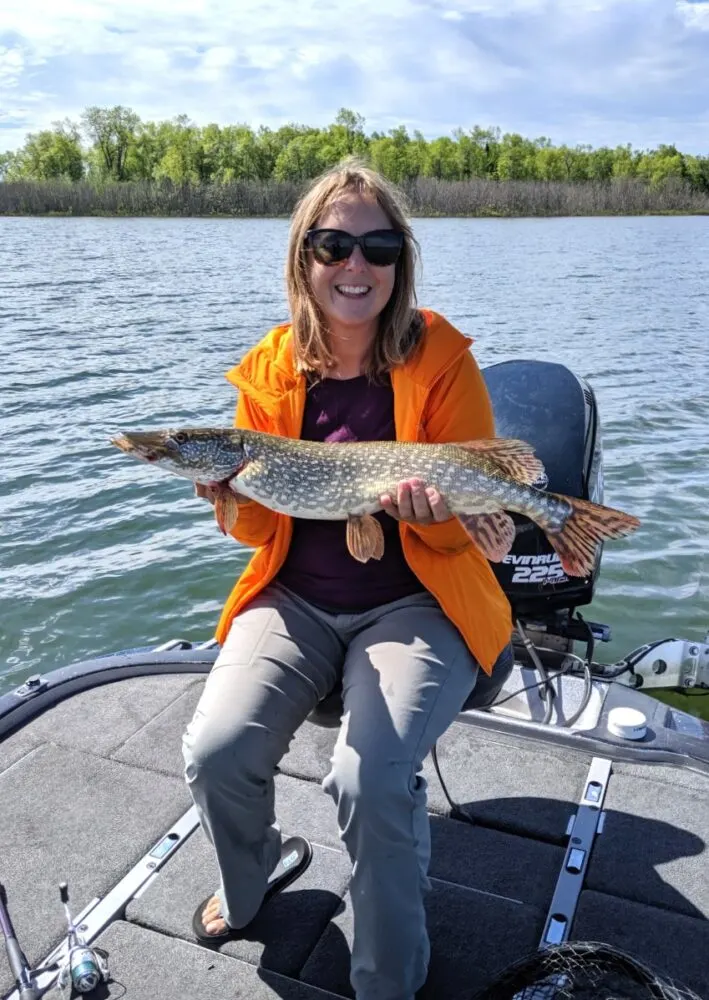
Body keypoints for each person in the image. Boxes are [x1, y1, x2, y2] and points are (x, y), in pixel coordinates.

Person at [182, 159, 514, 1000]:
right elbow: (258, 530)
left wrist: (425, 511)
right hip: (294, 596)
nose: (355, 265)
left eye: (377, 246)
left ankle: (387, 980)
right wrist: (231, 496)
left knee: (365, 779)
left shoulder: (439, 355)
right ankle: (251, 877)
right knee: (216, 749)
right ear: (304, 256)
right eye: (334, 244)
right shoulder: (265, 370)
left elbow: (473, 526)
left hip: (421, 600)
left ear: (400, 262)